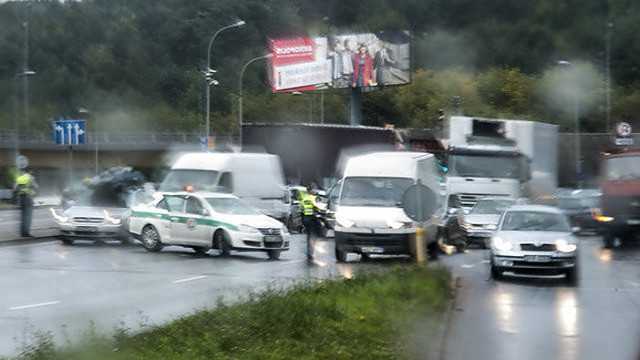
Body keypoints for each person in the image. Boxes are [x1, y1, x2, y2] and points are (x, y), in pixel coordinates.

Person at [13, 166, 38, 237]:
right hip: (28, 199)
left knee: (23, 217)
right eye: (32, 171)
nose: (33, 172)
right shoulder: (30, 178)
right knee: (28, 216)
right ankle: (26, 233)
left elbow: (14, 189)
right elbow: (36, 187)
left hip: (21, 199)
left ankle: (22, 233)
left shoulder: (19, 178)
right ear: (30, 171)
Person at [300, 185, 323, 261]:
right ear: (311, 191)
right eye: (314, 189)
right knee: (315, 236)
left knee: (309, 236)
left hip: (306, 219)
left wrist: (303, 223)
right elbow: (318, 210)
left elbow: (302, 211)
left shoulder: (304, 199)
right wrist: (321, 220)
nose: (315, 190)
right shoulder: (315, 198)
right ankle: (311, 252)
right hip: (313, 219)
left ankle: (309, 251)